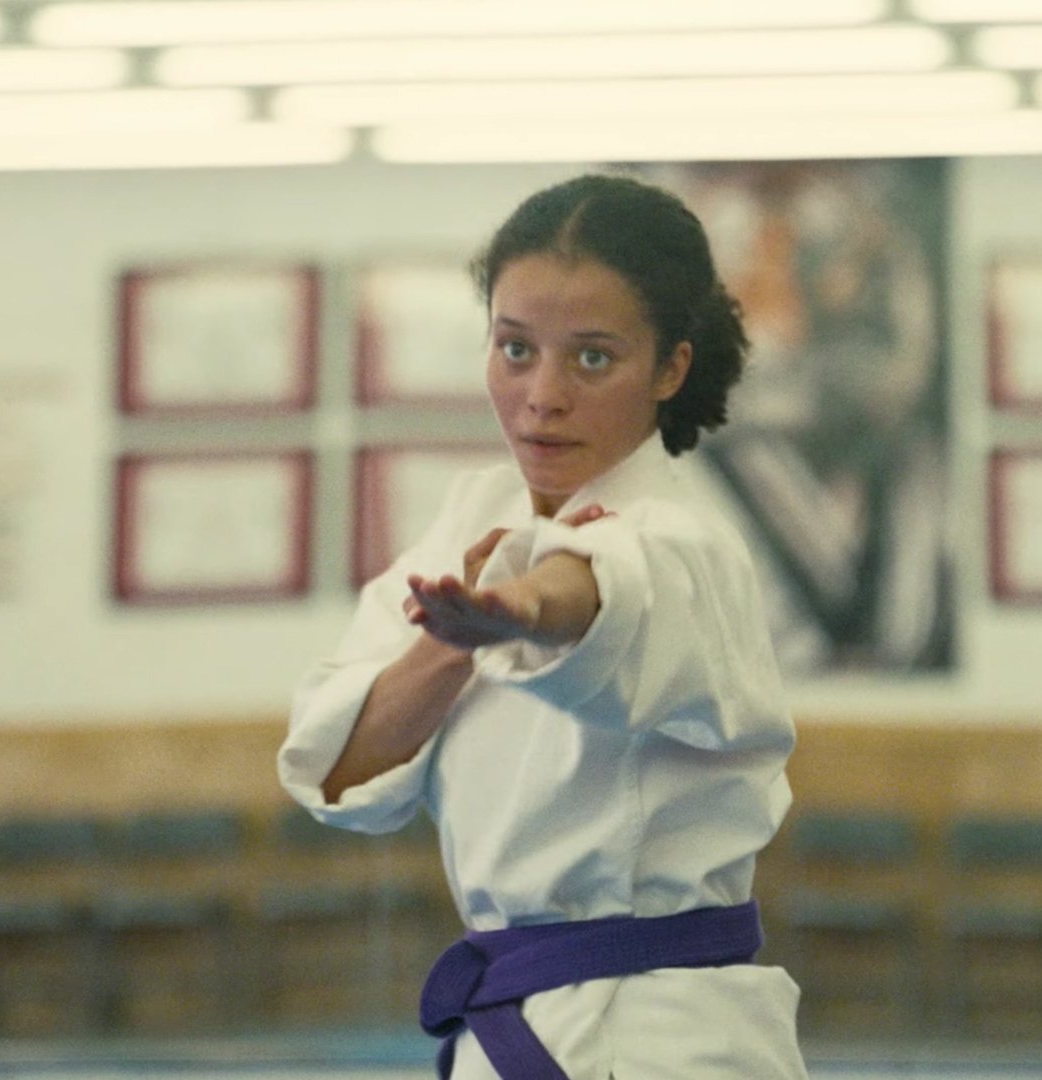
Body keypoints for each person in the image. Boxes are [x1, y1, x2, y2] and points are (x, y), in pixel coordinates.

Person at [276, 173, 806, 1080]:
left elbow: (602, 587)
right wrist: (452, 640)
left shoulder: (690, 542)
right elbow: (335, 764)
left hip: (653, 1036)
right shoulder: (462, 525)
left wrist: (523, 606)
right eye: (515, 349)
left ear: (671, 367)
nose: (542, 394)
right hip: (517, 1022)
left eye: (592, 358)